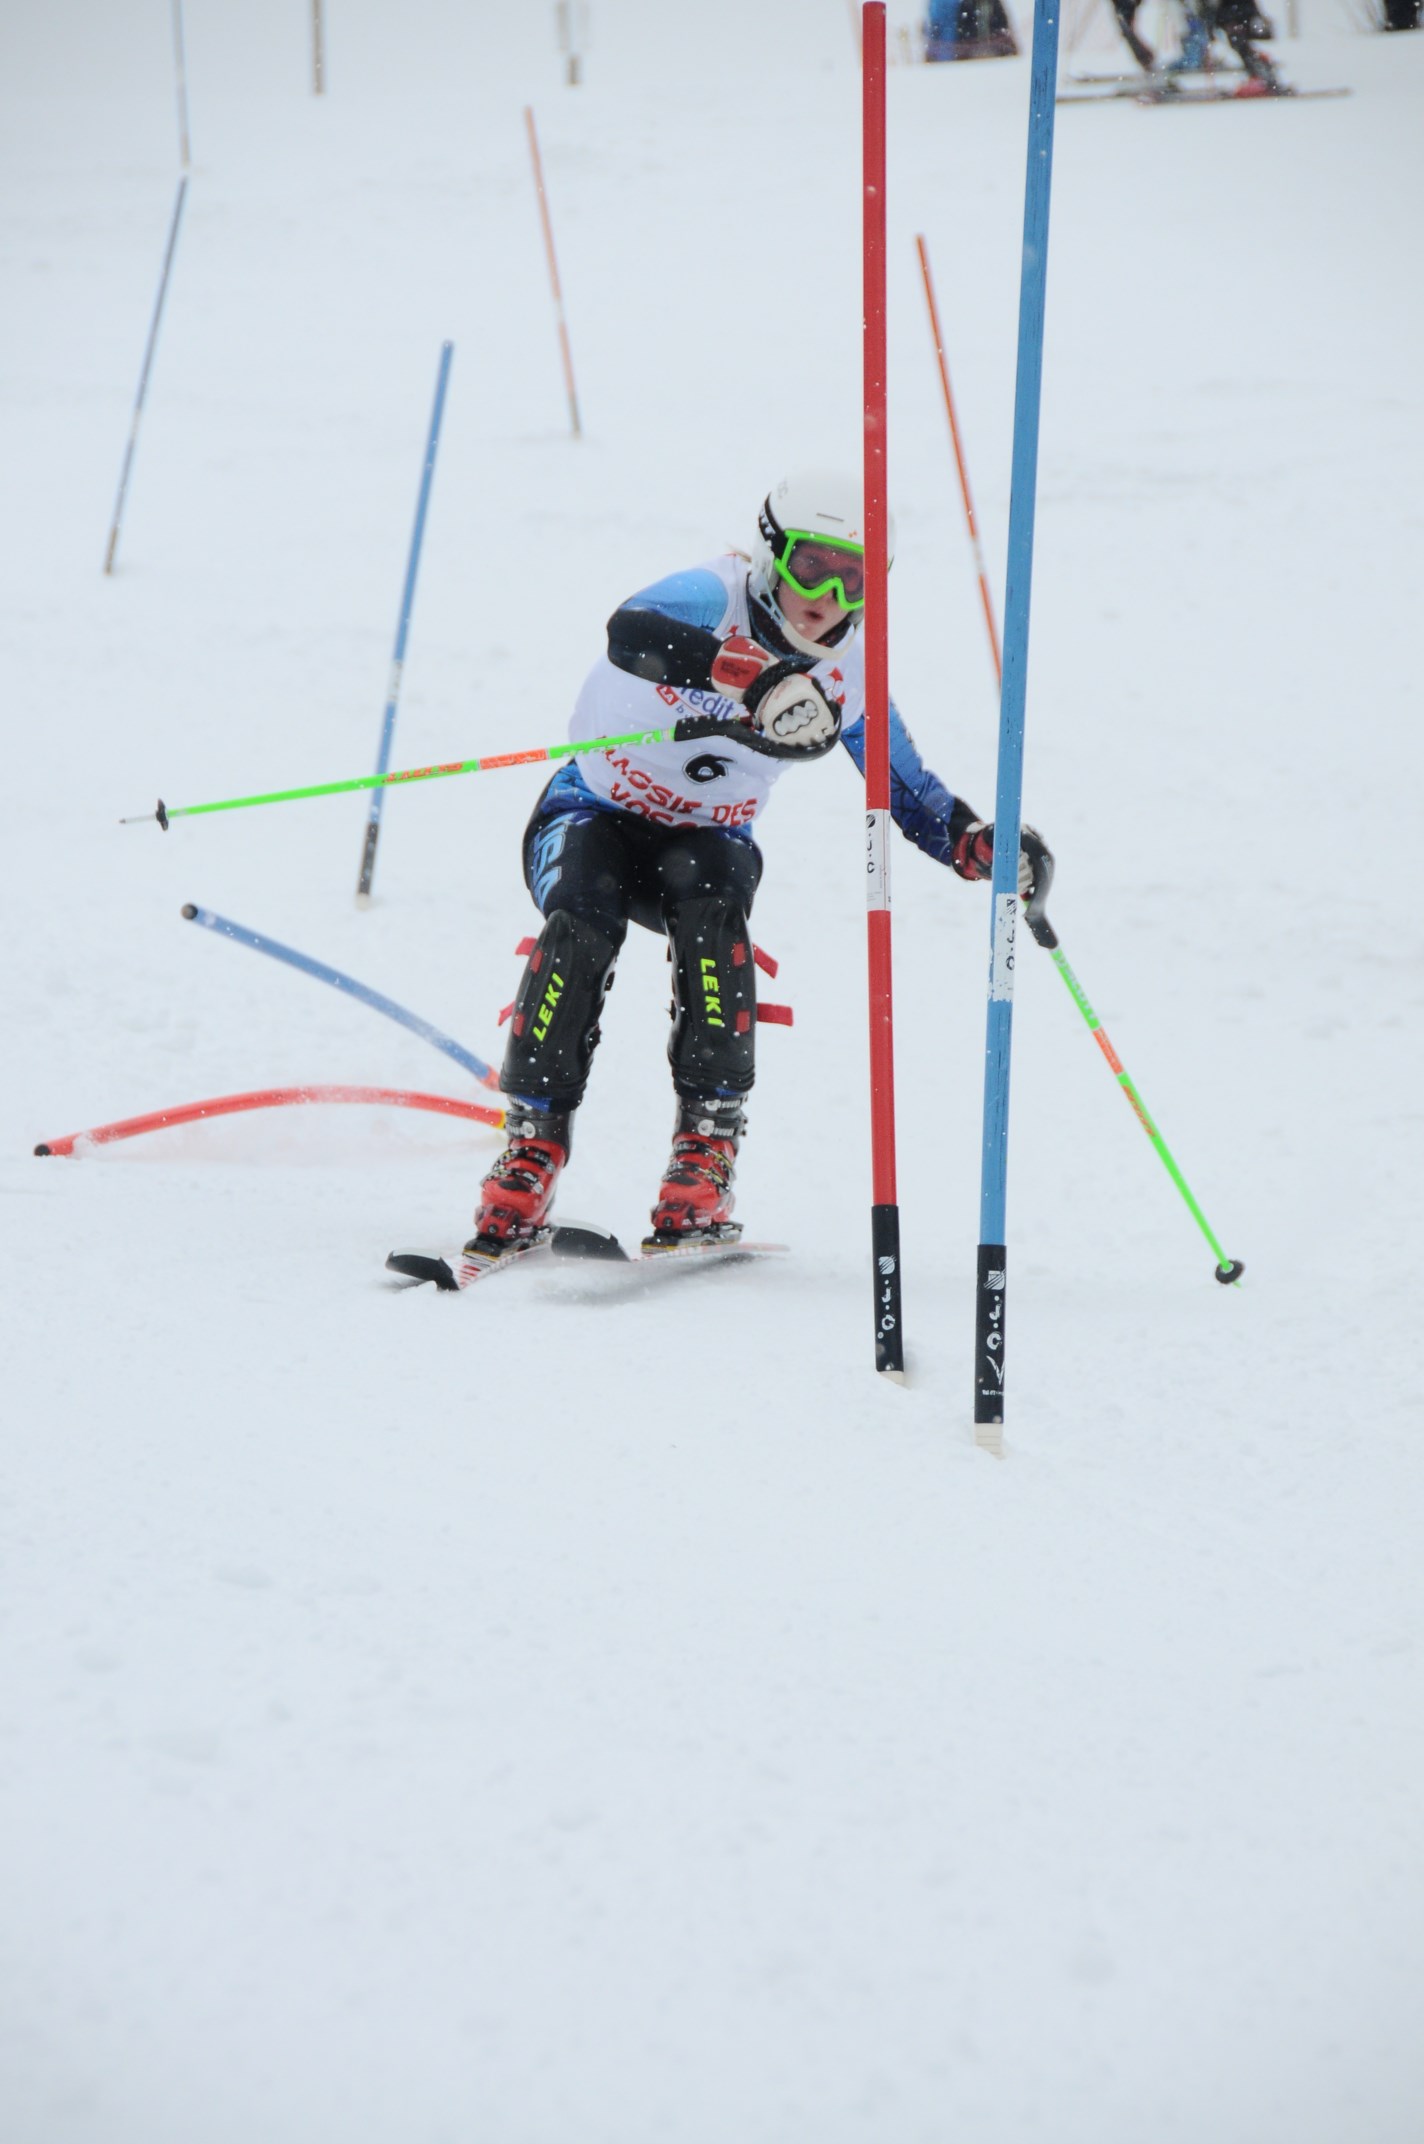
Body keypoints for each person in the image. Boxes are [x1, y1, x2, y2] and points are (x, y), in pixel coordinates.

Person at [470, 470, 1052, 1259]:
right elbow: (629, 631)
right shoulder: (715, 594)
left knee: (713, 917)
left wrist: (978, 845)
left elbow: (907, 789)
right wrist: (752, 675)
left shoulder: (850, 674)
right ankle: (530, 1152)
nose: (829, 599)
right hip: (589, 813)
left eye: (855, 580)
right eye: (813, 567)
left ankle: (703, 1157)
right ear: (771, 554)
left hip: (706, 840)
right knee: (582, 920)